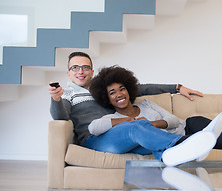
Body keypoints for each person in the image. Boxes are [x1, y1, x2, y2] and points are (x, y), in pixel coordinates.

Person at [88, 66, 222, 161]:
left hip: (188, 126)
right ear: (107, 99)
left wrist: (151, 123)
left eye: (122, 89)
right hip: (185, 139)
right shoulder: (111, 120)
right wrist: (130, 122)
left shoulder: (148, 104)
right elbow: (94, 128)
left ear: (129, 89)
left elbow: (172, 120)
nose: (119, 95)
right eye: (112, 93)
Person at [48, 51, 203, 147]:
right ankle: (189, 142)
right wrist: (56, 99)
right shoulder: (67, 94)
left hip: (120, 132)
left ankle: (187, 145)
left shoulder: (105, 89)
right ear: (69, 73)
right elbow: (61, 117)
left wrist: (177, 87)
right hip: (95, 138)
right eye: (75, 67)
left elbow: (143, 88)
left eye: (85, 67)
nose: (80, 71)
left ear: (92, 71)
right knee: (136, 125)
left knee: (142, 132)